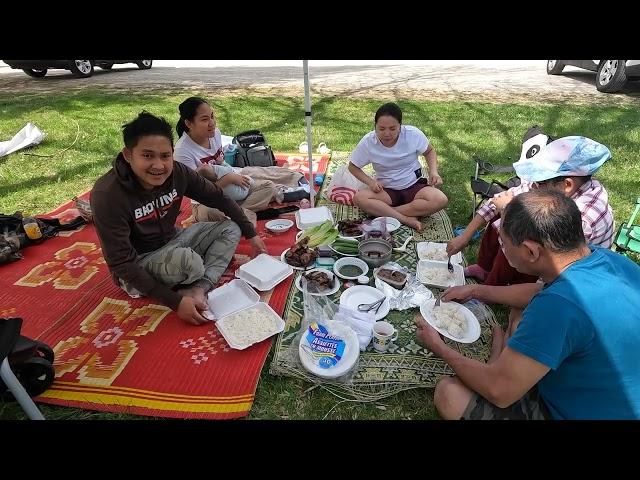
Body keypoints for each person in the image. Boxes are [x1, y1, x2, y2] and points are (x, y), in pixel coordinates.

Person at [416, 190, 640, 420]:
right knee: (517, 310)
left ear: (531, 251)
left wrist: (439, 347)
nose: (502, 250)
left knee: (449, 394)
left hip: (573, 410)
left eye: (504, 244)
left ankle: (501, 363)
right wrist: (476, 290)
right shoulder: (606, 258)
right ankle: (504, 363)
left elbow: (499, 392)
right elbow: (539, 291)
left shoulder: (558, 307)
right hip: (614, 394)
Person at [91, 111, 267, 326]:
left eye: (165, 156)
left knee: (231, 228)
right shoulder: (107, 194)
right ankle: (183, 281)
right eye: (147, 155)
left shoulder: (178, 172)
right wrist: (175, 302)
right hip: (139, 260)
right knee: (190, 262)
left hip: (174, 238)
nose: (158, 166)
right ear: (128, 155)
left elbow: (218, 197)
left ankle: (198, 287)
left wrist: (251, 234)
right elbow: (120, 262)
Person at [448, 135, 615, 286]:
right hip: (548, 251)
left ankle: (492, 287)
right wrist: (464, 237)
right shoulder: (546, 185)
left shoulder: (585, 214)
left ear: (567, 185)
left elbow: (552, 260)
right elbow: (497, 200)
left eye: (540, 183)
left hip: (572, 275)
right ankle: (484, 269)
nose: (533, 185)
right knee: (505, 215)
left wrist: (507, 209)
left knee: (517, 233)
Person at [173, 97, 308, 226]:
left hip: (233, 189)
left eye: (212, 116)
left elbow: (222, 164)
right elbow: (199, 193)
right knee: (213, 213)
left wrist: (232, 175)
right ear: (189, 123)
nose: (212, 123)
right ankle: (241, 213)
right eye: (204, 119)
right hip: (207, 202)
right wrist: (228, 179)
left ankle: (237, 213)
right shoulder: (182, 152)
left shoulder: (215, 134)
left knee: (268, 186)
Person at [349, 102, 448, 231]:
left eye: (392, 128)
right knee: (359, 198)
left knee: (440, 199)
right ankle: (406, 218)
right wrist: (371, 182)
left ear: (400, 126)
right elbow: (352, 166)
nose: (387, 133)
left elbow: (429, 151)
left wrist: (434, 172)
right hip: (386, 190)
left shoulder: (412, 134)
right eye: (381, 129)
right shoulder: (369, 141)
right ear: (375, 126)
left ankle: (387, 213)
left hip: (414, 185)